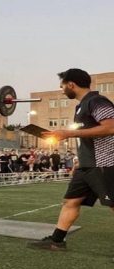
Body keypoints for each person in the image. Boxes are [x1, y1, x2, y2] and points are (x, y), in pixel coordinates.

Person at [28, 68, 114, 254]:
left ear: (71, 84)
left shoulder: (96, 101)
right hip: (86, 165)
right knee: (70, 202)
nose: (61, 90)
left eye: (62, 86)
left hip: (103, 163)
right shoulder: (81, 106)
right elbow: (87, 137)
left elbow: (110, 127)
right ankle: (57, 241)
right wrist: (78, 159)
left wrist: (68, 133)